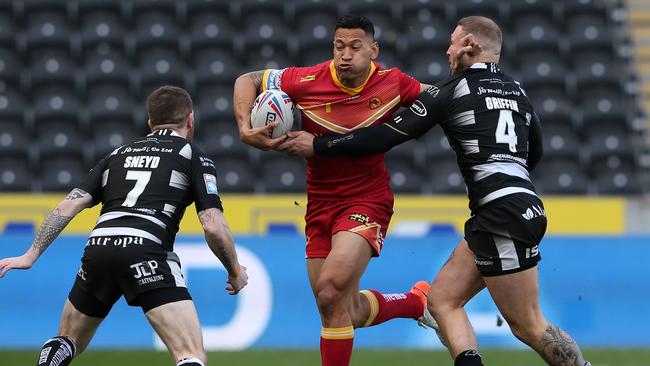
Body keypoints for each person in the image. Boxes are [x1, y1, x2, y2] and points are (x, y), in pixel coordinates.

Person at [279, 16, 592, 366]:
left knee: (528, 325)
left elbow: (383, 135)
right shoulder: (516, 90)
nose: (447, 50)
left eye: (453, 42)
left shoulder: (452, 90)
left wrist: (319, 145)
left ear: (470, 45)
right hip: (518, 205)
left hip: (500, 214)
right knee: (441, 301)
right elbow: (536, 151)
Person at [234, 15, 438, 366]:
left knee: (330, 288)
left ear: (373, 50)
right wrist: (244, 127)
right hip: (320, 204)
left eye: (355, 47)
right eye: (338, 46)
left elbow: (438, 99)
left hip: (367, 200)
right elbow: (246, 80)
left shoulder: (395, 83)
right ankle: (416, 301)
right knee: (338, 308)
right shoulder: (305, 80)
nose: (345, 55)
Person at [0, 86, 248, 366]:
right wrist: (235, 271)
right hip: (146, 250)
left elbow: (67, 205)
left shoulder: (117, 154)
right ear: (191, 120)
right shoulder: (193, 155)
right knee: (189, 352)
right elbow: (213, 224)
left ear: (150, 122)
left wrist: (30, 255)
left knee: (67, 339)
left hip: (99, 248)